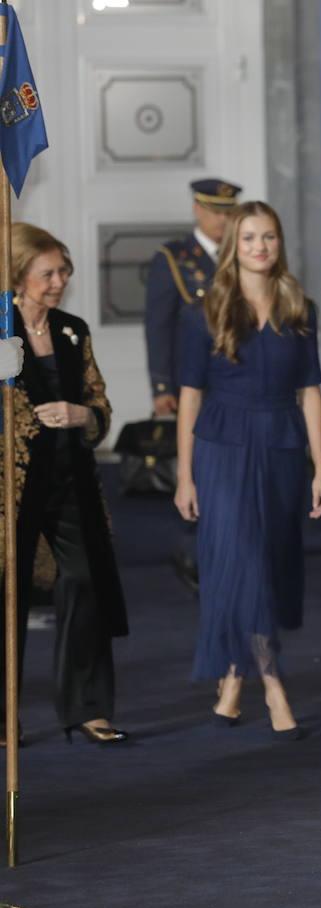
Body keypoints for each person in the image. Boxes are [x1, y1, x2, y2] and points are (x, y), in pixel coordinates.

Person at [175, 202, 321, 741]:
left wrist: (320, 468)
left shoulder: (298, 307)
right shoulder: (206, 310)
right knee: (244, 563)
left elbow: (311, 392)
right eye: (249, 238)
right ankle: (272, 683)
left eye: (268, 237)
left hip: (282, 445)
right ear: (232, 247)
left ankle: (235, 676)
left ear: (279, 243)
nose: (260, 247)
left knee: (268, 561)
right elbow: (189, 398)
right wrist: (185, 476)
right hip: (222, 447)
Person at [0, 224, 129, 746]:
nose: (59, 281)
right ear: (17, 275)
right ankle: (4, 718)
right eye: (47, 272)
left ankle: (88, 707)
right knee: (8, 596)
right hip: (9, 487)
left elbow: (100, 405)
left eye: (64, 270)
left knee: (85, 582)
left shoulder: (73, 330)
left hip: (71, 479)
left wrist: (82, 414)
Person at [144, 177, 241, 590]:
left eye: (228, 211)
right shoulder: (173, 258)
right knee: (195, 465)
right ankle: (195, 551)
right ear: (198, 210)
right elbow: (158, 325)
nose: (223, 219)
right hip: (192, 381)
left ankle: (231, 549)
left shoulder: (243, 251)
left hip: (236, 379)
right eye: (216, 211)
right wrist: (162, 386)